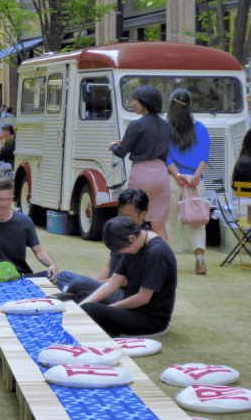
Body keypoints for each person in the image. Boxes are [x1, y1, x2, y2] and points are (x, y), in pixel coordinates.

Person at [79, 216, 177, 338]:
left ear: (131, 238)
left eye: (121, 250)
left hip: (150, 318)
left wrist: (109, 309)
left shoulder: (157, 253)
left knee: (90, 310)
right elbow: (113, 283)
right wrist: (81, 306)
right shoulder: (134, 243)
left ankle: (107, 335)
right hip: (131, 307)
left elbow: (143, 298)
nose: (121, 254)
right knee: (83, 298)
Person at [53, 188, 150, 304]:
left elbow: (124, 281)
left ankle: (73, 294)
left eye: (128, 216)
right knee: (63, 276)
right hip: (109, 284)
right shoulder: (121, 230)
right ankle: (75, 294)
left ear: (142, 214)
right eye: (120, 215)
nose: (123, 220)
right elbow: (108, 267)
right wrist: (90, 283)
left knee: (80, 284)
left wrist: (89, 285)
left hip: (124, 295)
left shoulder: (144, 239)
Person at [0, 178, 59, 279]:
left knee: (59, 276)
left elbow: (38, 250)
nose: (4, 204)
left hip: (21, 276)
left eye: (8, 199)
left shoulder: (25, 221)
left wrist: (51, 264)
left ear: (12, 197)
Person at [109, 85, 171, 243]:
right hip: (161, 173)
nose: (134, 103)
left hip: (142, 173)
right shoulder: (166, 126)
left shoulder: (136, 124)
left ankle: (132, 256)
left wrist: (113, 146)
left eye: (136, 100)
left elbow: (121, 152)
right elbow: (163, 151)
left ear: (144, 102)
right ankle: (164, 260)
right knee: (158, 223)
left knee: (132, 219)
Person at [165, 89, 210, 275]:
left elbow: (165, 155)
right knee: (197, 221)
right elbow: (205, 154)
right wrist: (197, 175)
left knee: (169, 222)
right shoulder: (200, 127)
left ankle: (167, 263)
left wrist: (176, 175)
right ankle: (199, 259)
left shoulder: (166, 128)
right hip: (195, 181)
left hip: (173, 180)